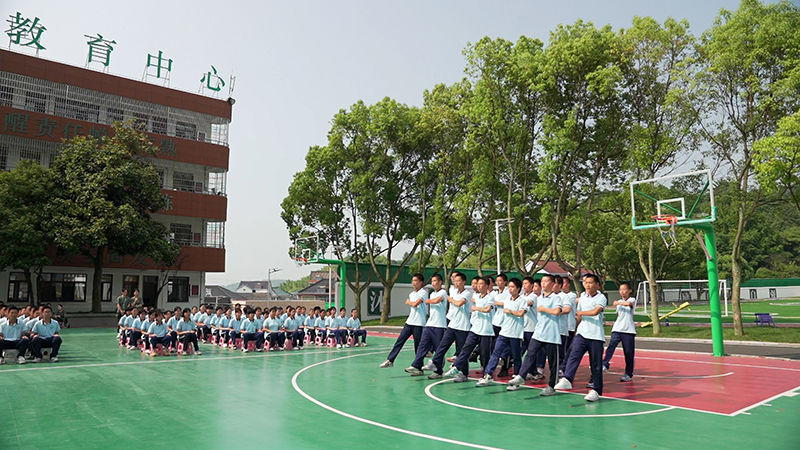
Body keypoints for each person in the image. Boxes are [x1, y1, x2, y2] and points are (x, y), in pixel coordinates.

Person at [554, 274, 607, 402]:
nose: (587, 285)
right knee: (573, 354)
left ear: (597, 285)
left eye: (590, 282)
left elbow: (595, 312)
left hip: (596, 335)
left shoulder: (601, 298)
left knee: (595, 364)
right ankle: (567, 378)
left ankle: (596, 390)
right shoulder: (583, 296)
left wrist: (581, 313)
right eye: (585, 282)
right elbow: (579, 316)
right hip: (582, 333)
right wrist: (576, 329)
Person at [507, 274, 562, 394]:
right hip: (538, 332)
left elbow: (557, 311)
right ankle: (521, 376)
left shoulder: (556, 298)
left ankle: (551, 386)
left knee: (553, 363)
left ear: (553, 284)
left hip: (551, 335)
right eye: (542, 281)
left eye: (546, 281)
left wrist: (544, 309)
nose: (543, 283)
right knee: (530, 355)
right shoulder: (539, 298)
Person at [476, 278, 528, 386]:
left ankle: (516, 378)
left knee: (516, 356)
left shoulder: (522, 301)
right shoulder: (507, 300)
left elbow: (521, 313)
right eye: (509, 287)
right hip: (504, 332)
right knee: (496, 353)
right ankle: (488, 374)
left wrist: (511, 311)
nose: (510, 289)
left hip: (515, 334)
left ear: (518, 288)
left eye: (512, 287)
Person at [450, 277, 495, 382]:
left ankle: (487, 375)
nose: (478, 286)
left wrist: (477, 308)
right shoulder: (476, 296)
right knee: (466, 348)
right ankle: (457, 367)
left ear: (487, 286)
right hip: (475, 329)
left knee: (484, 356)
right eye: (478, 284)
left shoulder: (490, 298)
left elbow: (487, 309)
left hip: (486, 331)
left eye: (481, 284)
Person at [379, 273, 429, 368]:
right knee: (400, 341)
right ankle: (390, 360)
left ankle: (418, 367)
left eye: (416, 281)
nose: (414, 282)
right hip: (409, 322)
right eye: (413, 281)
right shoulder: (412, 294)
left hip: (419, 323)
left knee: (418, 346)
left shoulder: (423, 293)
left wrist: (409, 302)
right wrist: (411, 303)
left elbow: (415, 304)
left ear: (421, 282)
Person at [428, 272, 470, 379]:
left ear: (464, 282)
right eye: (455, 281)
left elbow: (459, 303)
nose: (456, 283)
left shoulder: (467, 294)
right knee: (443, 345)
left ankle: (463, 373)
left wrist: (449, 298)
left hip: (463, 327)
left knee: (461, 351)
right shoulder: (454, 293)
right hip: (452, 325)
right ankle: (434, 362)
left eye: (458, 281)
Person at [406, 274, 447, 375]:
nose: (433, 283)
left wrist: (429, 301)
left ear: (440, 282)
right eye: (432, 281)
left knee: (438, 349)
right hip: (429, 324)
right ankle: (416, 365)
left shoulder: (443, 292)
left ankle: (438, 371)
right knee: (422, 345)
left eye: (435, 281)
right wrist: (429, 300)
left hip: (439, 325)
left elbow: (437, 300)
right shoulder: (432, 293)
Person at [602, 282, 637, 381]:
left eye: (624, 289)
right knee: (611, 346)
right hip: (617, 329)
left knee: (628, 353)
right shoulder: (619, 303)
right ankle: (605, 364)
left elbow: (628, 304)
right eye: (621, 290)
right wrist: (618, 304)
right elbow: (618, 315)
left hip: (628, 330)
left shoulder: (632, 300)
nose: (622, 292)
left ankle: (628, 373)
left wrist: (618, 303)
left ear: (629, 291)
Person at [490, 273, 512, 377]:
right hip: (496, 321)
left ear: (505, 282)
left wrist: (498, 303)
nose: (498, 283)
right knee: (494, 345)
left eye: (500, 281)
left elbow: (507, 304)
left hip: (505, 322)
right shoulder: (495, 293)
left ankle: (504, 368)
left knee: (506, 346)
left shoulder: (508, 293)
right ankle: (492, 366)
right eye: (497, 281)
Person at [559, 278, 578, 374]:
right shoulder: (559, 296)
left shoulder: (571, 296)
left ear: (568, 284)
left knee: (567, 349)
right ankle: (561, 367)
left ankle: (563, 367)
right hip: (562, 326)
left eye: (564, 283)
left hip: (570, 326)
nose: (562, 285)